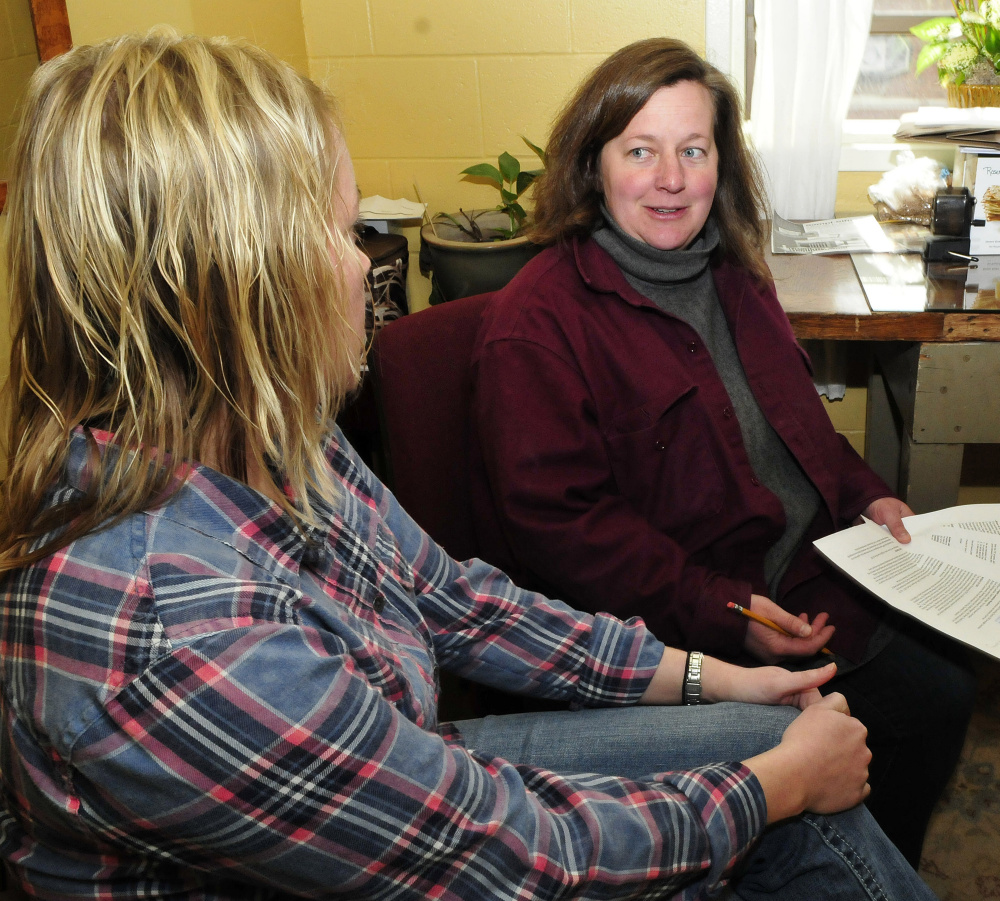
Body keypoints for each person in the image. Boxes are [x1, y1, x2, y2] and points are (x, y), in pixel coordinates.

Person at [0, 30, 939, 901]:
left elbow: (457, 600)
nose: (369, 265)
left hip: (413, 740)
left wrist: (711, 679)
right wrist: (766, 788)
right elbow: (514, 853)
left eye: (693, 150)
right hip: (445, 832)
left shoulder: (267, 430)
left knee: (803, 741)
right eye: (343, 232)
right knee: (797, 788)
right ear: (235, 278)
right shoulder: (171, 632)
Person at [469, 36, 977, 868]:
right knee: (863, 738)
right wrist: (728, 612)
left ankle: (875, 863)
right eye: (641, 151)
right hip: (684, 633)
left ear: (720, 166)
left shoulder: (739, 275)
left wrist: (867, 493)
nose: (670, 178)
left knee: (940, 689)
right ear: (593, 166)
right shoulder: (535, 326)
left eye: (693, 151)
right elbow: (567, 536)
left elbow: (799, 427)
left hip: (806, 582)